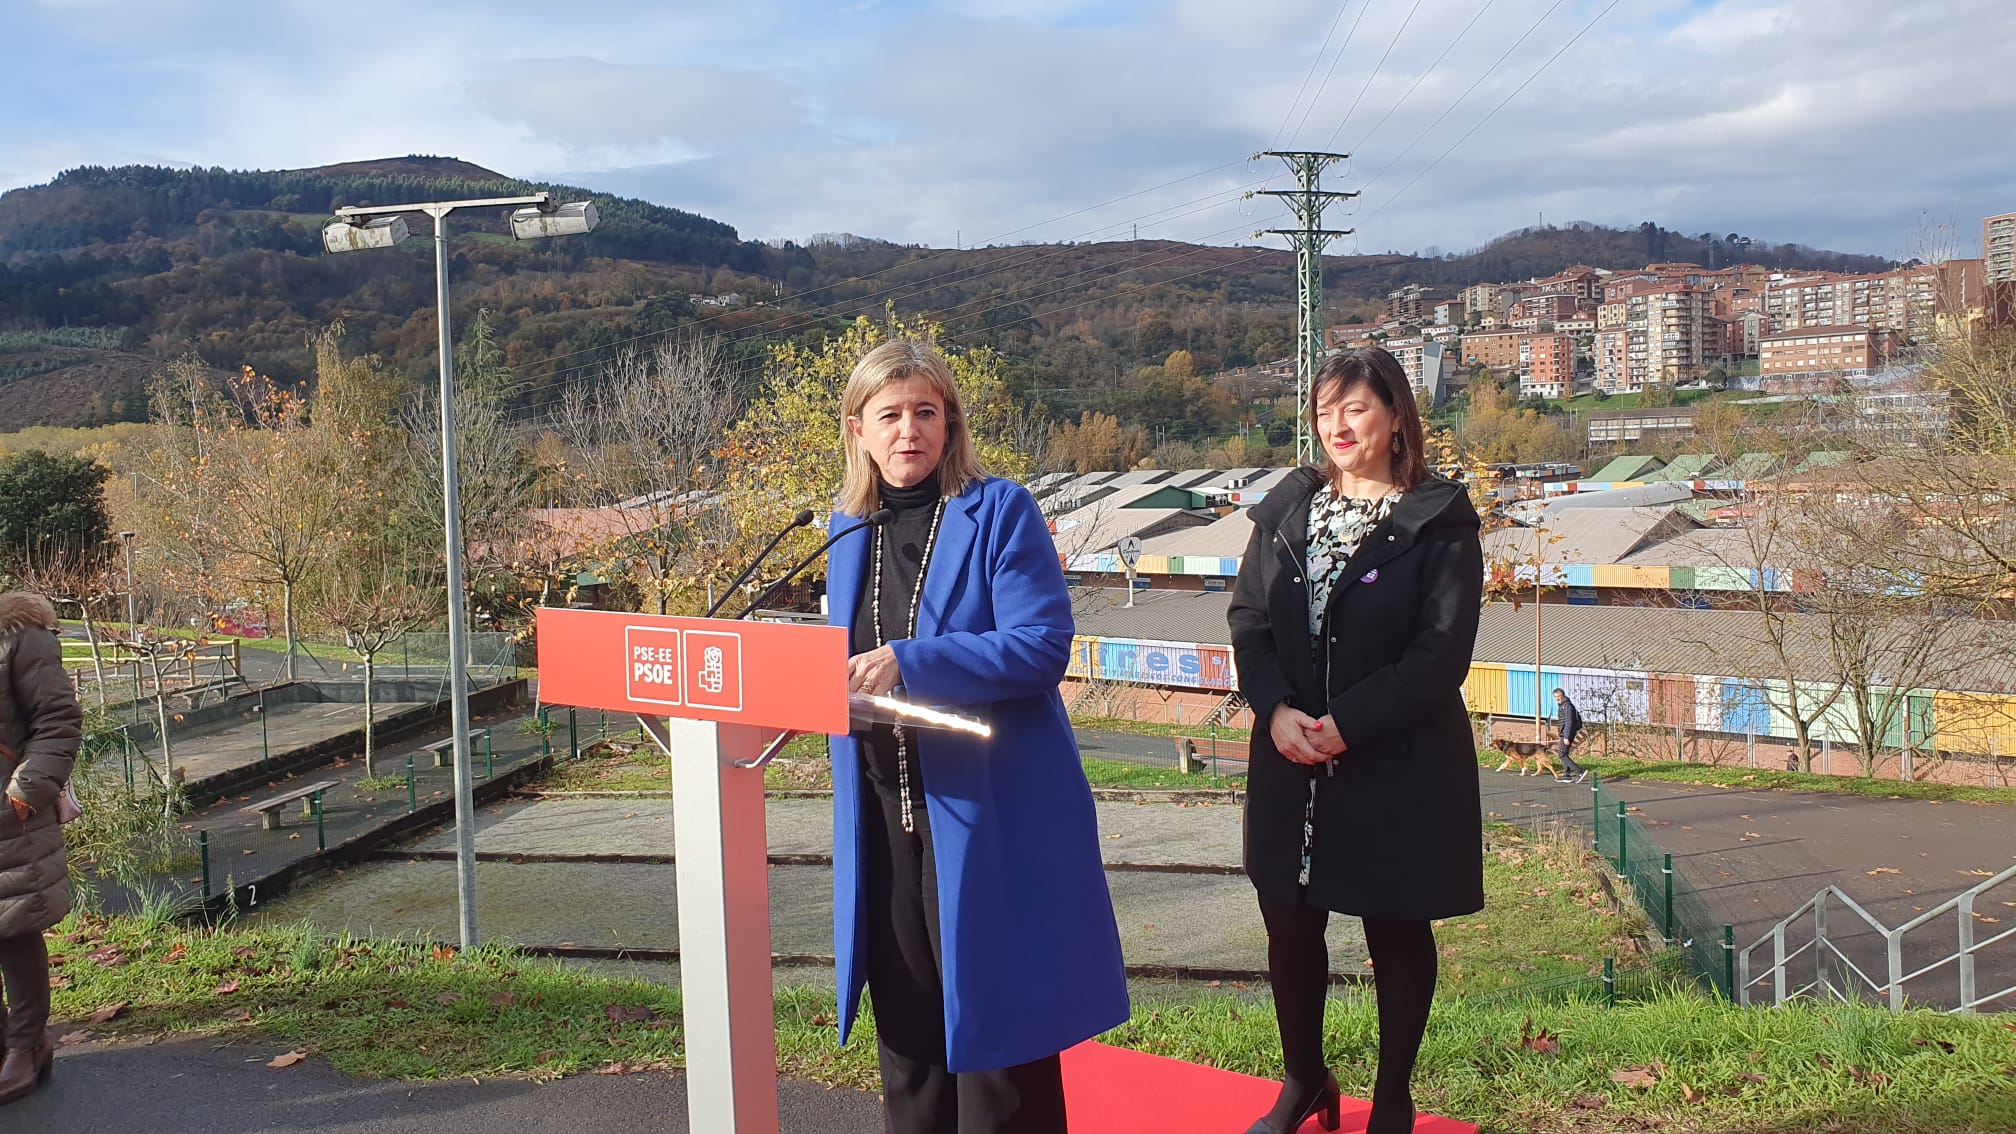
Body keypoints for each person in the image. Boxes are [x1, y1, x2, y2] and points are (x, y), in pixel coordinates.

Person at [824, 340, 1129, 1134]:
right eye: (889, 415)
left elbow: (1041, 645)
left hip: (985, 816)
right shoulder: (843, 529)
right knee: (909, 1031)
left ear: (950, 424)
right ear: (858, 429)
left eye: (926, 412)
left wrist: (910, 663)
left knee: (1000, 1041)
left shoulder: (999, 510)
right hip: (883, 809)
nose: (908, 431)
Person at [1227, 348, 1484, 1134]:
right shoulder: (1289, 509)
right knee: (1289, 924)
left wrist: (1348, 725)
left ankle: (1394, 1100)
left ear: (1396, 416)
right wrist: (1274, 710)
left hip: (1394, 758)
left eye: (1356, 409)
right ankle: (1304, 1079)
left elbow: (1439, 656)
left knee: (1395, 926)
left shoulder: (1438, 521)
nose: (1336, 427)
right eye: (1323, 412)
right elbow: (1249, 620)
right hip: (1291, 754)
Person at [0, 592, 81, 1104]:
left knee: (12, 925)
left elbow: (58, 720)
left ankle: (27, 1046)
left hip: (8, 812)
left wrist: (26, 791)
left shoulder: (19, 636)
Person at [1552, 688, 1588, 783]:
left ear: (1563, 695)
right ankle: (1567, 775)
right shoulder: (1562, 706)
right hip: (1564, 733)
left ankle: (1580, 771)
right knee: (1563, 753)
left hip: (1568, 733)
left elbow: (1569, 722)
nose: (1557, 698)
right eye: (1555, 697)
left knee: (1562, 754)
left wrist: (1566, 737)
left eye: (1558, 696)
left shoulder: (1567, 706)